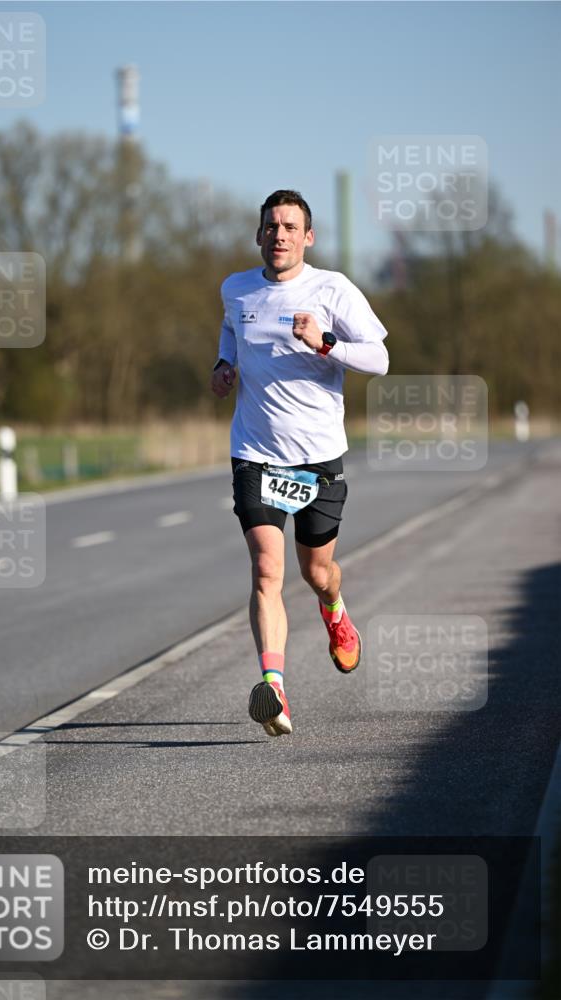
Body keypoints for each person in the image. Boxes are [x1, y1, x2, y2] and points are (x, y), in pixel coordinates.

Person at [211, 190, 389, 737]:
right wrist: (224, 363)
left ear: (307, 237)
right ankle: (275, 687)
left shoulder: (332, 288)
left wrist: (326, 341)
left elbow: (380, 358)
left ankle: (334, 609)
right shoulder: (236, 288)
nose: (279, 235)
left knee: (316, 572)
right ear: (258, 234)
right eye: (271, 226)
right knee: (267, 569)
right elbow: (230, 327)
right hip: (255, 455)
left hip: (317, 460)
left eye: (290, 227)